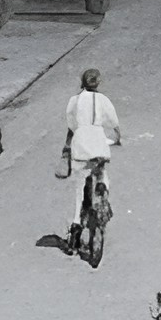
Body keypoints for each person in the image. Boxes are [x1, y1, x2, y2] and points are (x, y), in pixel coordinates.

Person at [63, 65, 121, 244]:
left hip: (80, 145)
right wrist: (118, 136)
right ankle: (102, 188)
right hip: (98, 143)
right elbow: (113, 121)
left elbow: (71, 123)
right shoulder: (103, 100)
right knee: (102, 171)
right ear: (98, 83)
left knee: (80, 187)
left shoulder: (75, 100)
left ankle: (75, 224)